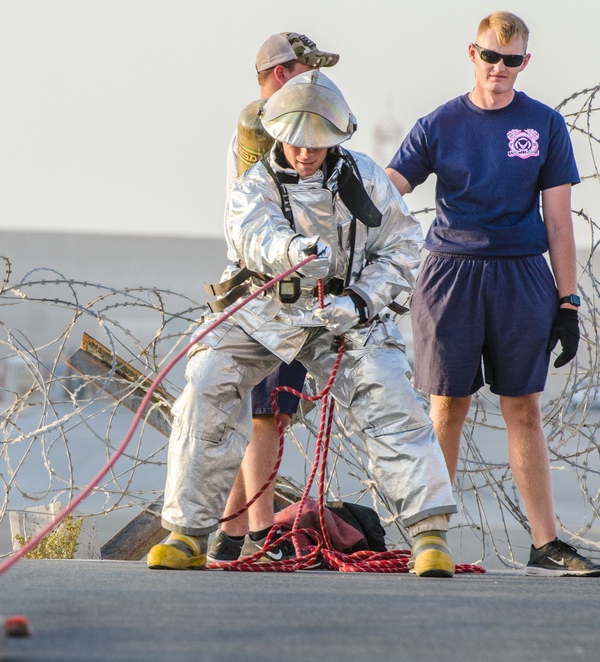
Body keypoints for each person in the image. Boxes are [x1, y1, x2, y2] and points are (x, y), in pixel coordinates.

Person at [148, 70, 458, 577]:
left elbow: (402, 247)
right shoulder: (255, 186)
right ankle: (186, 533)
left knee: (391, 399)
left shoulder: (367, 179)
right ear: (278, 134)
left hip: (346, 317)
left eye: (317, 144)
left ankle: (430, 536)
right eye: (295, 142)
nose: (305, 153)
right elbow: (252, 235)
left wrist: (360, 300)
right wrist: (292, 252)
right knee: (206, 384)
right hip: (262, 310)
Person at [385, 11, 600, 577]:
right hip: (450, 273)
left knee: (523, 407)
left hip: (521, 274)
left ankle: (546, 542)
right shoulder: (439, 124)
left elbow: (559, 223)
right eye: (490, 57)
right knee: (447, 406)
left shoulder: (544, 124)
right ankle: (429, 537)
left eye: (511, 60)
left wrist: (568, 300)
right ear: (473, 54)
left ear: (524, 63)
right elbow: (386, 191)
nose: (499, 68)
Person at [209, 32, 338, 564]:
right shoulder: (264, 123)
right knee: (265, 415)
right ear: (283, 73)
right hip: (270, 291)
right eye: (308, 72)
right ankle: (263, 533)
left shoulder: (281, 124)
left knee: (270, 413)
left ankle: (231, 534)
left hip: (290, 285)